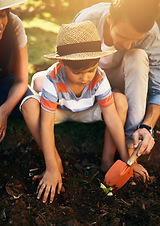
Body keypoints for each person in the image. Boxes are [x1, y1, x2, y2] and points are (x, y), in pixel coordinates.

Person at [21, 21, 129, 203]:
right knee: (28, 105)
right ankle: (55, 163)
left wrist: (127, 159)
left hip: (88, 111)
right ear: (62, 63)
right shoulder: (52, 78)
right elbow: (46, 124)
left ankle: (107, 161)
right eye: (77, 72)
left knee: (120, 101)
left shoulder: (99, 77)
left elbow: (111, 116)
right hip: (59, 112)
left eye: (90, 70)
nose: (85, 78)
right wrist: (51, 167)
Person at [72, 0, 160, 181]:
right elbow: (70, 67)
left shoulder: (150, 33)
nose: (128, 45)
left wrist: (147, 125)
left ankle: (130, 145)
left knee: (137, 55)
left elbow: (157, 88)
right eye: (123, 36)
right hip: (88, 84)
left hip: (122, 80)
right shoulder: (86, 21)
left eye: (134, 39)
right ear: (110, 19)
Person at [0, 0, 34, 143]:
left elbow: (21, 81)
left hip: (6, 82)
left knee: (31, 102)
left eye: (2, 15)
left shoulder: (14, 25)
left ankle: (53, 160)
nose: (0, 24)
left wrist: (4, 111)